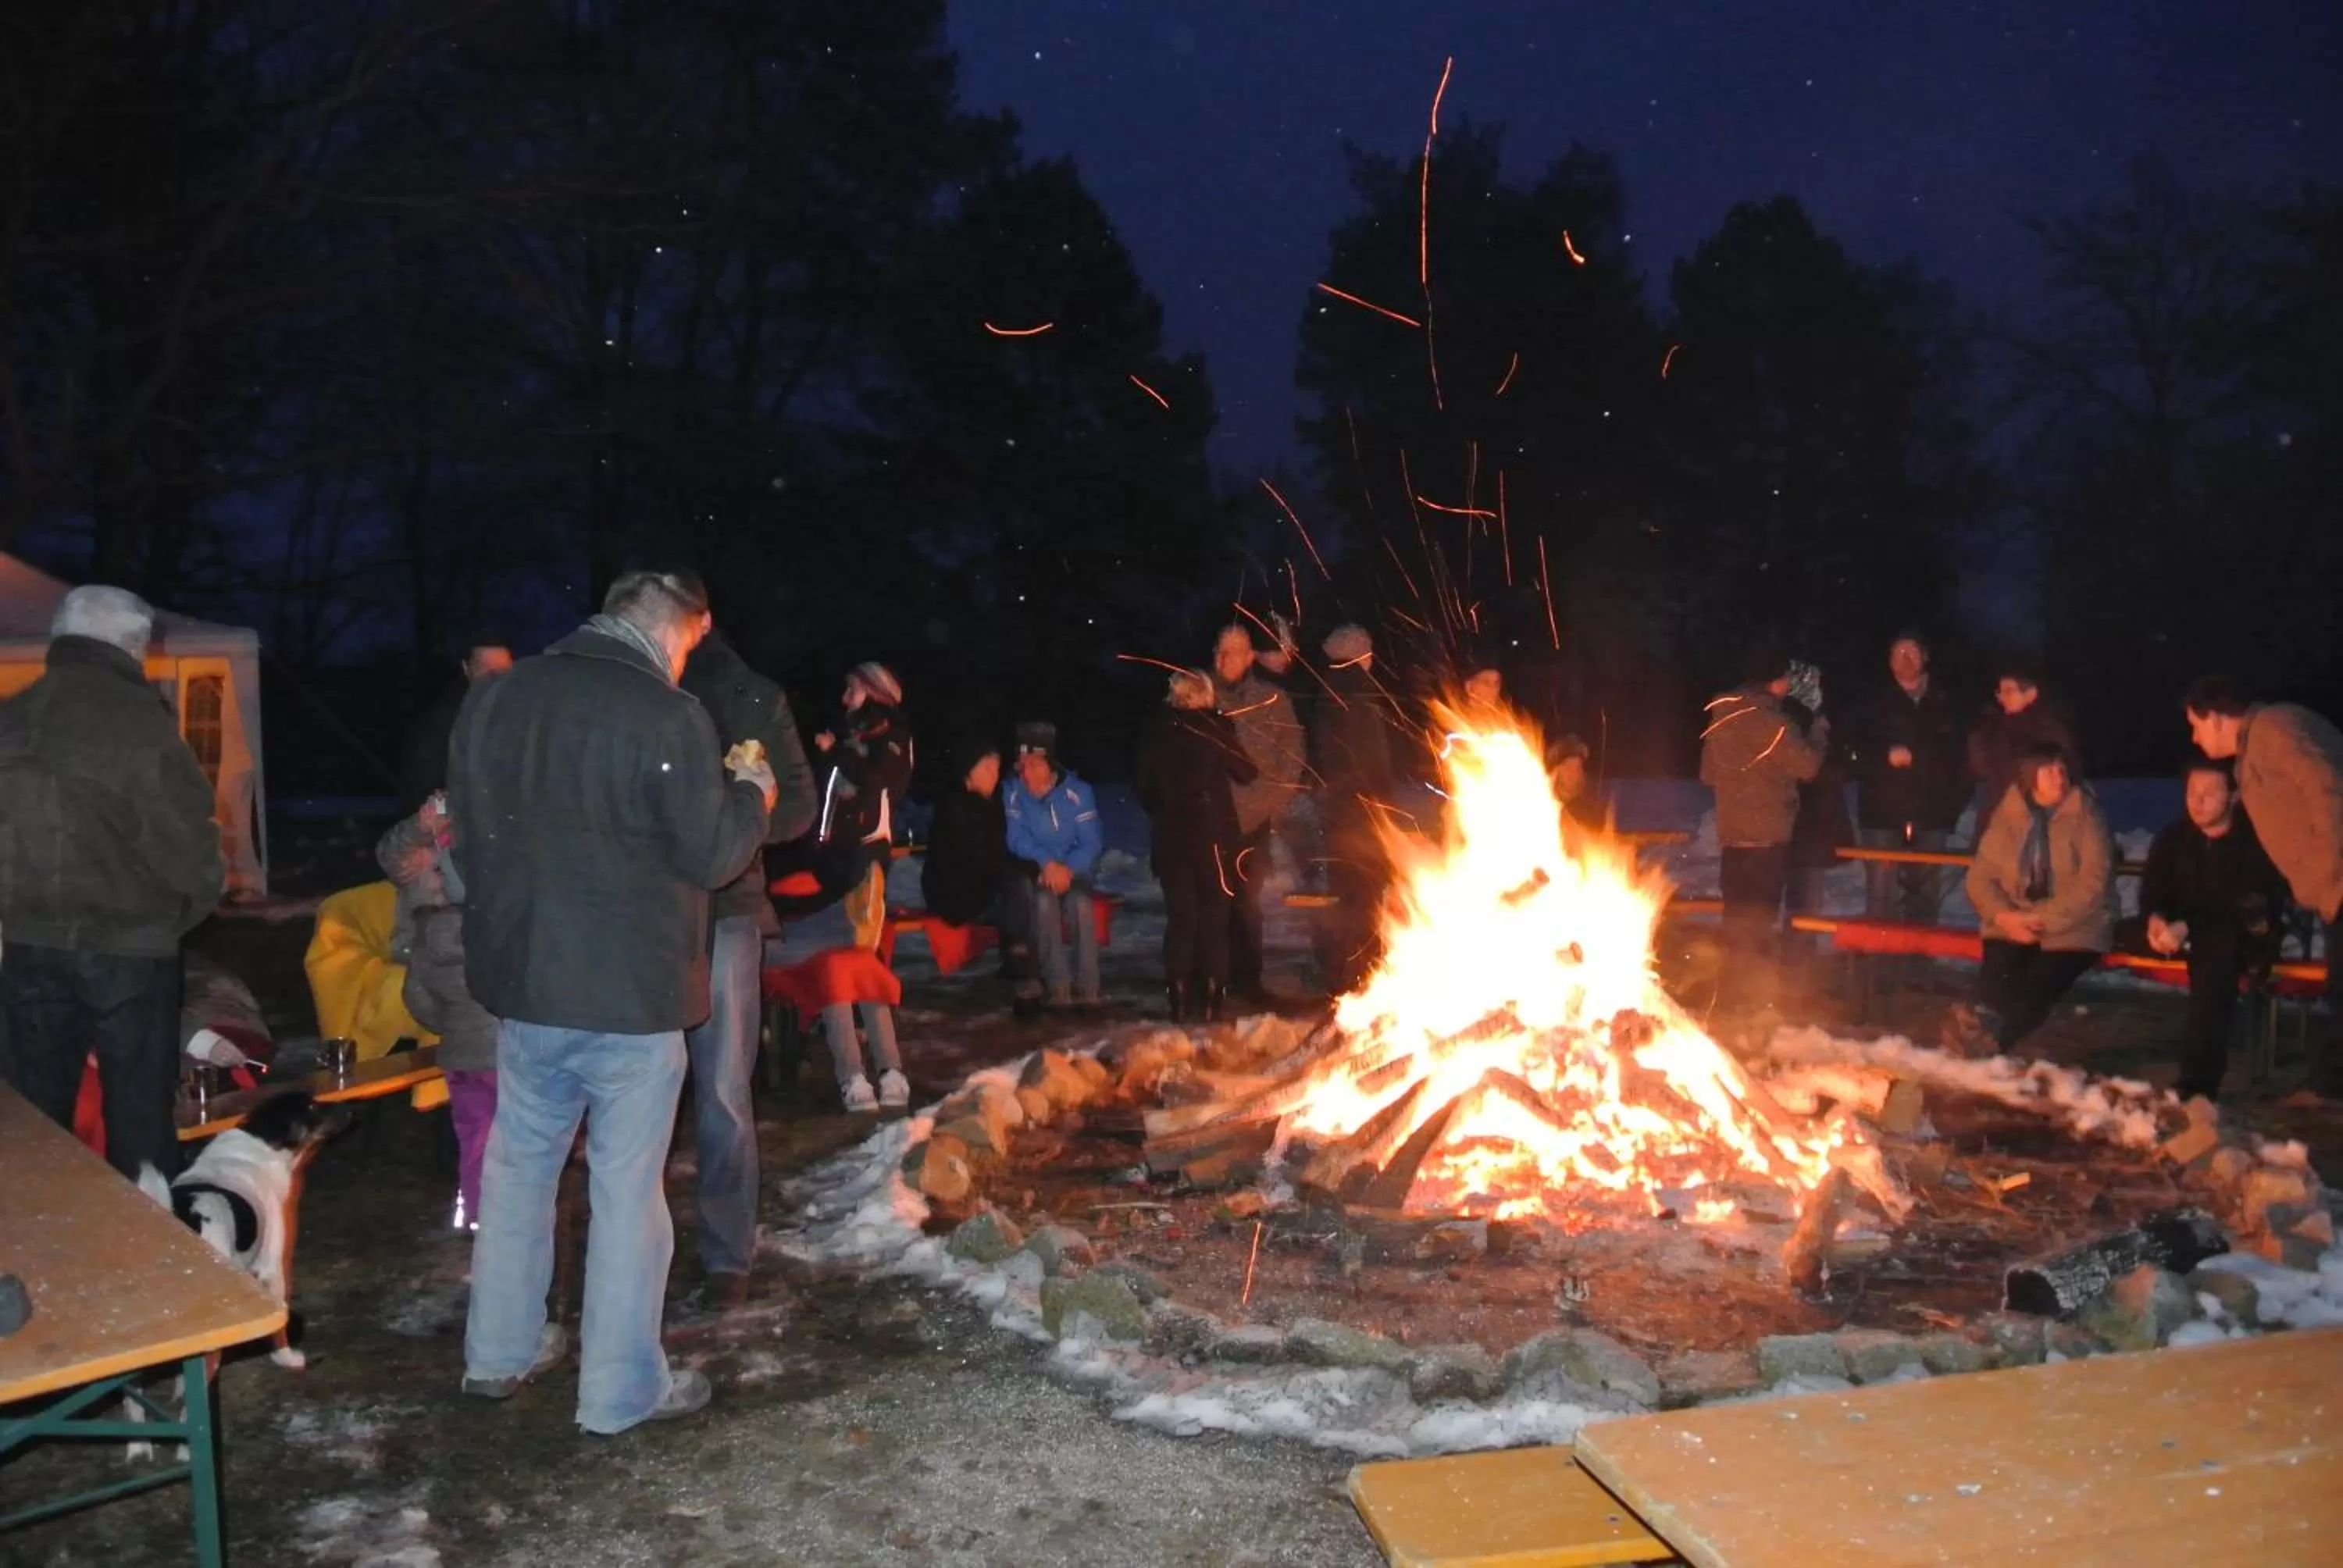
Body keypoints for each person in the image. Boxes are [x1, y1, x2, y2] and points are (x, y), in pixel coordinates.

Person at [448, 568, 776, 1434]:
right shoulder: (667, 714)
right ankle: (618, 1392)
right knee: (628, 1190)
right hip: (630, 995)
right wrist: (752, 793)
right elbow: (711, 856)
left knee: (518, 1172)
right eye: (690, 646)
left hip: (527, 985)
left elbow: (471, 838)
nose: (685, 662)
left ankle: (497, 1354)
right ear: (675, 628)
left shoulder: (495, 699)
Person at [0, 586, 226, 1183]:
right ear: (133, 645)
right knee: (139, 1115)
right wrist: (174, 915)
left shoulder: (12, 716)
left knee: (33, 1115)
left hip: (28, 946)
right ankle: (149, 1256)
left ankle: (40, 1246)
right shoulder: (138, 725)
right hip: (129, 948)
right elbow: (187, 843)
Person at [676, 626, 818, 1312]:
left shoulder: (751, 696)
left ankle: (727, 1256)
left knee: (724, 1087)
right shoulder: (635, 691)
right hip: (646, 913)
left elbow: (798, 802)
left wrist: (741, 812)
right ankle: (632, 1252)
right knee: (636, 1088)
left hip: (727, 907)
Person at [2182, 675, 2343, 1096]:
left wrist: (2330, 870)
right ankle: (2329, 1087)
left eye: (2195, 726)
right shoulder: (2254, 750)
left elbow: (2327, 786)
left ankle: (2328, 1090)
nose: (2195, 739)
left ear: (2216, 717)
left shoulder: (2276, 727)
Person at [2129, 761, 2290, 1101]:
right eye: (2192, 792)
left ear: (2233, 797)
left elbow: (2247, 904)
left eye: (2208, 793)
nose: (2197, 801)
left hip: (2241, 936)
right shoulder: (2175, 837)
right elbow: (2155, 889)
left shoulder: (2256, 840)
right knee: (2109, 931)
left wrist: (2188, 927)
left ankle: (2197, 1084)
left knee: (2215, 963)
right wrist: (2155, 918)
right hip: (2181, 932)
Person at [377, 791, 498, 1231]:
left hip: (461, 1004)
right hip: (442, 967)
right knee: (490, 1123)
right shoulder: (433, 831)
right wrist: (425, 827)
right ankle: (490, 1214)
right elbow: (393, 857)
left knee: (480, 1122)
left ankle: (483, 1213)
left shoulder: (496, 827)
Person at [1963, 743, 2115, 1053]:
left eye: (2062, 770)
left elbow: (2093, 885)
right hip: (2015, 919)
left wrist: (2039, 919)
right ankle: (1976, 1028)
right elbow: (1980, 878)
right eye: (2049, 771)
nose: (2059, 778)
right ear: (2030, 777)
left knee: (2039, 982)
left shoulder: (2086, 814)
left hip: (2074, 926)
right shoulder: (2009, 816)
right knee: (2000, 968)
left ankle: (1994, 1041)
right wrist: (2004, 916)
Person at [1699, 643, 1825, 1007]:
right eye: (1786, 676)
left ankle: (1729, 995)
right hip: (1767, 838)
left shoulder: (1721, 716)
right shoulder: (1772, 721)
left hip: (1733, 838)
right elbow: (1809, 766)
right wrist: (1818, 732)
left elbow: (1708, 774)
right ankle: (1752, 1000)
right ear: (1776, 681)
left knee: (1735, 920)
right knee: (1759, 920)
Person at [1136, 669, 1258, 1020]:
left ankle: (1177, 995)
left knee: (1181, 919)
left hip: (1171, 840)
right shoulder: (1214, 728)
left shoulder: (1155, 731)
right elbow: (1247, 772)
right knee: (1215, 918)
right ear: (1204, 695)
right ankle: (1212, 996)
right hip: (1212, 840)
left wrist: (1166, 809)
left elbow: (1143, 789)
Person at [1212, 624, 1307, 1003]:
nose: (1225, 659)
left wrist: (1272, 799)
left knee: (1248, 902)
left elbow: (1293, 754)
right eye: (1220, 651)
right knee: (1214, 902)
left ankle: (1249, 981)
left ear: (1250, 656)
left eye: (1234, 651)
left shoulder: (1271, 698)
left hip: (1255, 818)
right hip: (1213, 819)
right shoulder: (1202, 698)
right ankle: (1214, 980)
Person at [919, 739, 1042, 1011]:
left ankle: (1024, 970)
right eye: (985, 769)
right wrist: (1028, 870)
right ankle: (1023, 976)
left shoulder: (991, 805)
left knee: (1025, 897)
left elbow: (1000, 852)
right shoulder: (956, 806)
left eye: (995, 769)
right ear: (968, 772)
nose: (993, 776)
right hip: (954, 894)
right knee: (1020, 895)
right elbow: (979, 857)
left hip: (984, 888)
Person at [1852, 633, 1968, 921]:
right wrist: (1882, 756)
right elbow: (1852, 748)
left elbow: (1958, 753)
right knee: (1881, 893)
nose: (1905, 659)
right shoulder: (1872, 701)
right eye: (1898, 652)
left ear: (1925, 656)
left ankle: (1920, 959)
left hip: (1932, 812)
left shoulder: (1945, 700)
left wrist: (1922, 761)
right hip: (1882, 813)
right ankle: (1880, 959)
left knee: (1926, 894)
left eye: (1912, 652)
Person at [1308, 625, 1399, 993]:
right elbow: (1370, 761)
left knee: (1349, 895)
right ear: (1358, 655)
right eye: (1369, 651)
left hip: (1340, 814)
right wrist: (1380, 806)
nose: (1372, 658)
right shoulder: (1359, 693)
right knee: (1364, 898)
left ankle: (1348, 972)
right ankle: (1359, 976)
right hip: (1361, 816)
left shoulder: (1329, 692)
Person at [1004, 723, 1106, 1007]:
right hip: (1041, 873)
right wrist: (1046, 863)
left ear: (1049, 764)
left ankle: (1089, 986)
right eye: (1022, 767)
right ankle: (1058, 985)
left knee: (1080, 904)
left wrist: (1068, 868)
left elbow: (1091, 842)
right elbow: (1016, 837)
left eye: (1033, 766)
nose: (1026, 774)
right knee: (1043, 905)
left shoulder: (1079, 792)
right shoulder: (1013, 792)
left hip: (1075, 872)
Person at [815, 661, 912, 952]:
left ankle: (872, 995)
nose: (845, 698)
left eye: (852, 690)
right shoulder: (853, 733)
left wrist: (836, 752)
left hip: (867, 845)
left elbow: (875, 780)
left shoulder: (893, 736)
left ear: (874, 693)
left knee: (863, 933)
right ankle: (849, 995)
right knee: (838, 936)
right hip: (837, 846)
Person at [399, 643, 514, 812]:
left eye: (503, 672)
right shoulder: (443, 724)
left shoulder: (531, 715)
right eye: (488, 673)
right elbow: (421, 789)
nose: (496, 681)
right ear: (466, 669)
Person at [1781, 661, 1855, 916]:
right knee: (1803, 900)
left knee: (1804, 898)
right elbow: (1815, 769)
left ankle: (1799, 948)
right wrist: (1821, 737)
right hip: (1805, 824)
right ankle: (1797, 951)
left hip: (1812, 825)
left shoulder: (1813, 717)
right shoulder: (1796, 721)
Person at [1967, 661, 2078, 823]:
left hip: (2038, 818)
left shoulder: (2050, 731)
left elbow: (2064, 777)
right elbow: (1981, 770)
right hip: (1999, 815)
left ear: (2031, 694)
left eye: (2009, 691)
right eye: (2000, 692)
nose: (2002, 698)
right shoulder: (1994, 727)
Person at [1550, 734, 1607, 836]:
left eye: (1577, 768)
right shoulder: (1541, 799)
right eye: (1568, 767)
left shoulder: (1590, 805)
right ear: (1556, 770)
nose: (1572, 773)